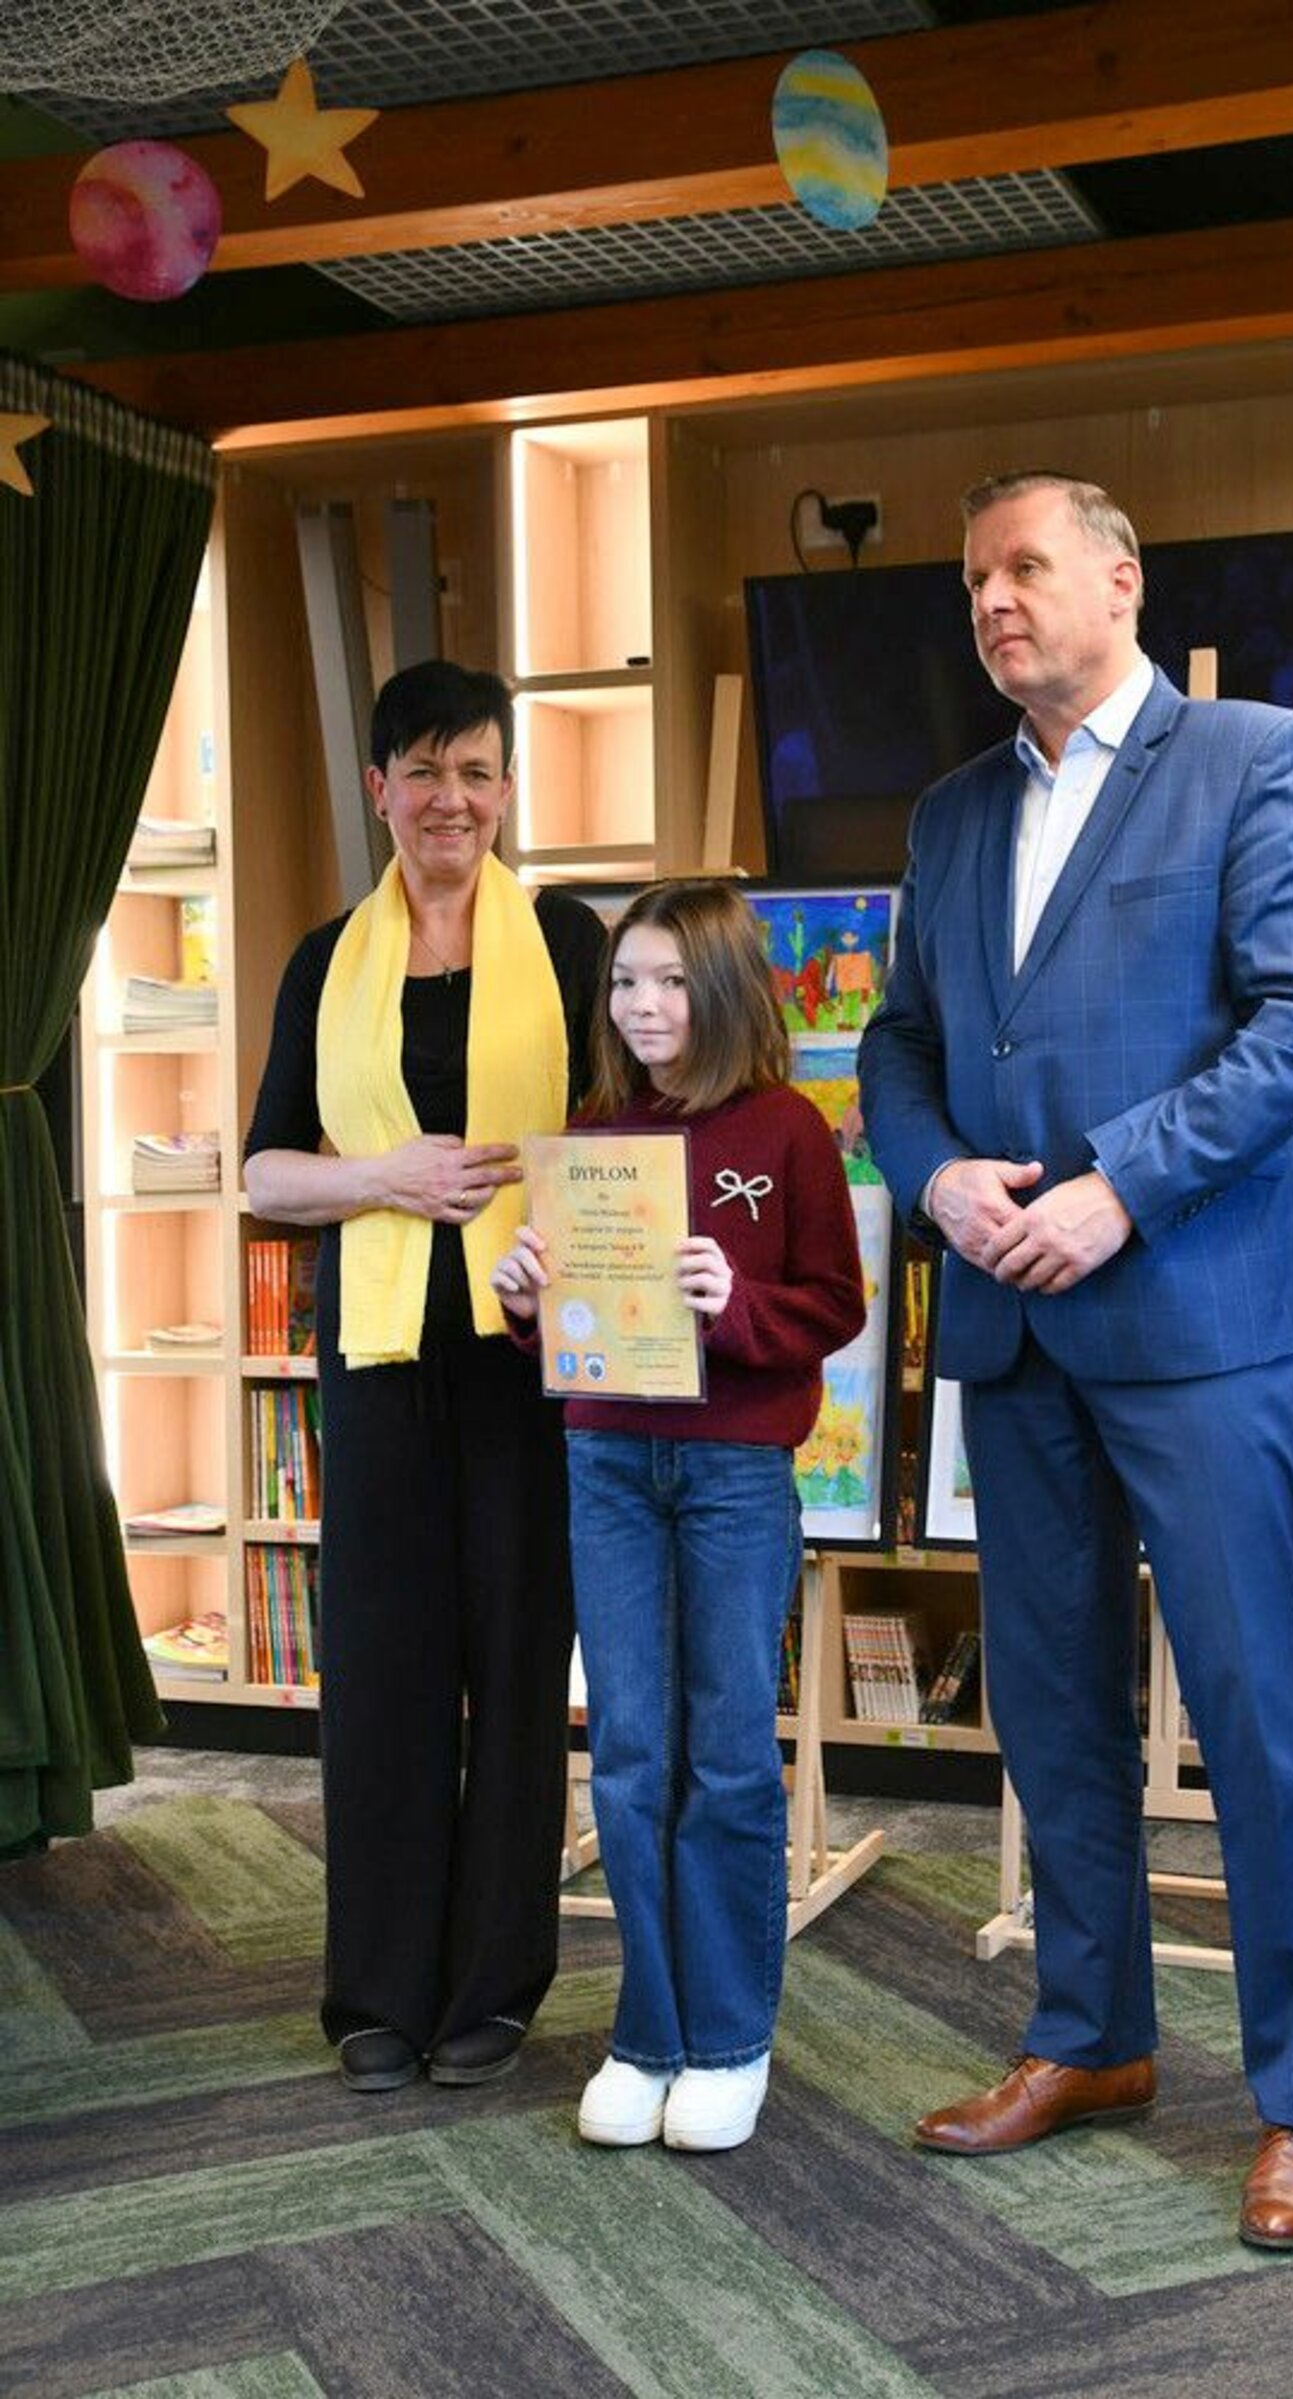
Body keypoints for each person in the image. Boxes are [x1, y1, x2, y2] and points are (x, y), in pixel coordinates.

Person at [857, 472, 1293, 2251]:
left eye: (1024, 567)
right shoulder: (948, 813)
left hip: (1201, 1321)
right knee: (1051, 1705)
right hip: (1012, 1326)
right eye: (971, 579)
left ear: (1122, 580)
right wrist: (932, 1173)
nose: (992, 600)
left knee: (1253, 1714)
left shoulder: (1256, 756)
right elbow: (900, 1046)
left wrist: (1118, 1188)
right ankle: (1095, 2035)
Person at [243, 659, 606, 2094]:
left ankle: (493, 1986)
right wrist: (382, 1177)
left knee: (517, 1662)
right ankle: (378, 1990)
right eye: (423, 771)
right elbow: (266, 1174)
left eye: (476, 771)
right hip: (382, 1359)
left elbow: (619, 1134)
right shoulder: (324, 959)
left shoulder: (568, 940)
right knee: (385, 1671)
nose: (450, 798)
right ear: (378, 788)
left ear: (507, 788)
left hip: (530, 1356)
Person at [492, 880, 864, 2152]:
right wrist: (527, 1300)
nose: (641, 1006)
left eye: (668, 981)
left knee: (727, 1757)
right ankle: (646, 2033)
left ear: (725, 989)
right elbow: (566, 1326)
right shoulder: (590, 1136)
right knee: (630, 1754)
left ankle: (729, 2036)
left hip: (731, 1473)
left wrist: (734, 1303)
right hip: (605, 1462)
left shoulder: (788, 1130)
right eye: (623, 982)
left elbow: (835, 1304)